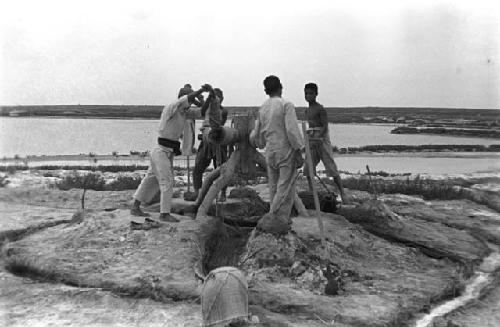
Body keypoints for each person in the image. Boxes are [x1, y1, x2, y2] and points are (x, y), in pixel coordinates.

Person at [130, 84, 212, 223]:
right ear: (183, 98)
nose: (190, 103)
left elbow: (203, 112)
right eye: (189, 100)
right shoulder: (173, 107)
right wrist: (200, 91)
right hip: (161, 150)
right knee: (167, 181)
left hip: (166, 152)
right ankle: (164, 214)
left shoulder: (185, 112)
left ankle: (135, 207)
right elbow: (185, 99)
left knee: (152, 179)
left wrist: (204, 99)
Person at [250, 75, 305, 235]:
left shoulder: (263, 107)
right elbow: (292, 130)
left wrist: (259, 142)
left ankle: (274, 218)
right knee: (285, 187)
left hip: (270, 150)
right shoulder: (286, 104)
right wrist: (298, 150)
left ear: (266, 90)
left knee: (274, 186)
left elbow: (257, 134)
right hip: (284, 149)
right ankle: (276, 218)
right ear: (280, 87)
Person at [303, 82, 346, 203]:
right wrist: (308, 138)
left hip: (322, 139)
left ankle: (343, 193)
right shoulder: (307, 111)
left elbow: (324, 127)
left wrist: (318, 137)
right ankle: (313, 194)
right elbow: (310, 127)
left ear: (316, 94)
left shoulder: (320, 109)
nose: (308, 96)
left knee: (331, 167)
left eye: (310, 93)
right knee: (308, 167)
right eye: (306, 93)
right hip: (312, 139)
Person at [188, 88, 229, 202]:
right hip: (206, 139)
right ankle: (197, 192)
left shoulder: (223, 111)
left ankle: (223, 193)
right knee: (198, 167)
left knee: (221, 167)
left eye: (217, 98)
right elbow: (200, 105)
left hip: (218, 139)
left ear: (221, 99)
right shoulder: (207, 107)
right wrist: (200, 96)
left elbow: (218, 123)